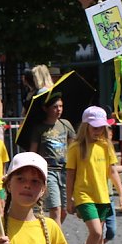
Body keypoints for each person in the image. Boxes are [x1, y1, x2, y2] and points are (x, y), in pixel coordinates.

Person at [66, 107, 122, 244]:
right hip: (84, 195)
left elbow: (113, 171)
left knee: (99, 237)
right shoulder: (76, 147)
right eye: (94, 127)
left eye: (100, 127)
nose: (97, 130)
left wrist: (121, 194)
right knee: (97, 233)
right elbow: (70, 174)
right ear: (85, 126)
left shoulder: (105, 145)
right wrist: (69, 199)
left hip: (103, 196)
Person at [28, 93, 75, 225]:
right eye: (55, 106)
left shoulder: (66, 125)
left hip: (65, 172)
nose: (59, 109)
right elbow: (33, 151)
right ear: (46, 108)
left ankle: (52, 232)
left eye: (61, 106)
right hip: (49, 172)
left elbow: (73, 147)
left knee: (65, 210)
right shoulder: (39, 128)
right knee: (55, 208)